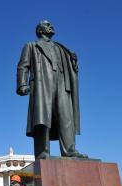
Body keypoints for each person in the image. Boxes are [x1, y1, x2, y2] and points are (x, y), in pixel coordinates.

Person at [17, 20, 86, 159]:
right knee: (42, 118)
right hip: (42, 85)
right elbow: (23, 66)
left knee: (66, 117)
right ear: (40, 30)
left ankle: (69, 150)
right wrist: (22, 84)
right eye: (47, 24)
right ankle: (43, 151)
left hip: (62, 84)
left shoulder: (61, 48)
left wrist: (73, 61)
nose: (51, 26)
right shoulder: (31, 46)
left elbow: (72, 69)